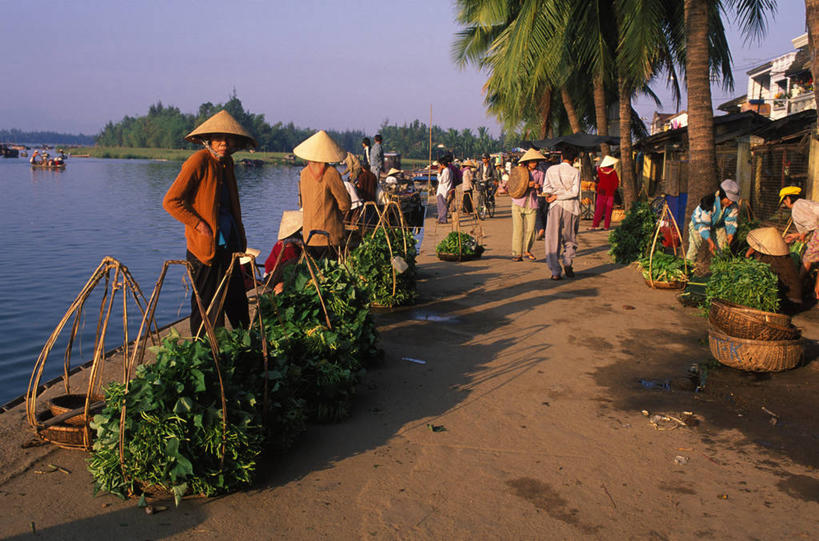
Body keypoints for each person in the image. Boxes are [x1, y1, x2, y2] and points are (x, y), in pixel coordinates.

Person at [162, 109, 254, 336]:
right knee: (206, 304)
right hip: (205, 247)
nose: (224, 143)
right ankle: (205, 352)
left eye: (228, 138)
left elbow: (230, 205)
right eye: (218, 139)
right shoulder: (198, 161)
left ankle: (244, 345)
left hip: (228, 243)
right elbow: (171, 201)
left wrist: (239, 235)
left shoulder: (227, 163)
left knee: (236, 301)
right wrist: (200, 225)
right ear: (208, 140)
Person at [293, 130, 351, 259]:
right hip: (330, 236)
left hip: (309, 235)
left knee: (313, 274)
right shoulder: (331, 173)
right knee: (330, 273)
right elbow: (345, 204)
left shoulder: (304, 173)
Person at [543, 146, 581, 279]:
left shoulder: (551, 169)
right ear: (575, 159)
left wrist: (553, 196)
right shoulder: (575, 172)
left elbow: (546, 188)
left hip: (555, 206)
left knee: (552, 237)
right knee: (570, 237)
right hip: (571, 207)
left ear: (561, 156)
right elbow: (575, 192)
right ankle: (568, 261)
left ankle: (555, 272)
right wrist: (558, 196)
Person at [745, 226, 802, 306]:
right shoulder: (784, 257)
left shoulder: (768, 260)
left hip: (788, 301)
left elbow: (749, 257)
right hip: (796, 297)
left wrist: (748, 255)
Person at [685, 179, 740, 261]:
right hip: (699, 224)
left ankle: (720, 269)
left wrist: (730, 235)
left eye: (733, 200)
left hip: (717, 225)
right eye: (728, 199)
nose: (731, 202)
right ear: (722, 195)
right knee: (694, 248)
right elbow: (703, 225)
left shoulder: (733, 206)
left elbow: (731, 221)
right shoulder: (709, 203)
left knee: (722, 249)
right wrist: (710, 242)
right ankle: (686, 269)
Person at [780, 186, 819, 298]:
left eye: (784, 201)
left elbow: (813, 223)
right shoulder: (803, 203)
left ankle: (795, 289)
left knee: (807, 259)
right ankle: (816, 292)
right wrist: (796, 235)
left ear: (788, 198)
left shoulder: (797, 208)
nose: (784, 203)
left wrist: (800, 235)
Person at [511, 148, 546, 262]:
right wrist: (526, 184)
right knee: (518, 230)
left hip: (532, 203)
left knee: (531, 230)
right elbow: (513, 185)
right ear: (527, 162)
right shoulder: (519, 171)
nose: (534, 163)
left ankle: (527, 250)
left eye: (535, 161)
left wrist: (537, 187)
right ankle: (517, 253)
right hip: (518, 203)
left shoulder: (540, 173)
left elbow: (541, 189)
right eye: (532, 161)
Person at [264, 210, 304, 295]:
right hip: (273, 277)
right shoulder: (288, 246)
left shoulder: (294, 241)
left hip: (276, 274)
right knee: (296, 262)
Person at [589, 155, 620, 231]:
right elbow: (616, 183)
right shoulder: (613, 172)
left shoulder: (600, 170)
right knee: (608, 210)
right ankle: (606, 226)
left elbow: (597, 180)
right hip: (610, 193)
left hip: (601, 192)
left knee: (599, 209)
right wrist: (613, 189)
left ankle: (595, 225)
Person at [436, 154, 454, 224]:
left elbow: (441, 180)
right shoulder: (449, 170)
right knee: (441, 205)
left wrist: (438, 174)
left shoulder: (446, 171)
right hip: (444, 190)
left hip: (443, 190)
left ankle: (442, 219)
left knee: (442, 206)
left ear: (442, 164)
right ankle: (441, 218)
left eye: (440, 164)